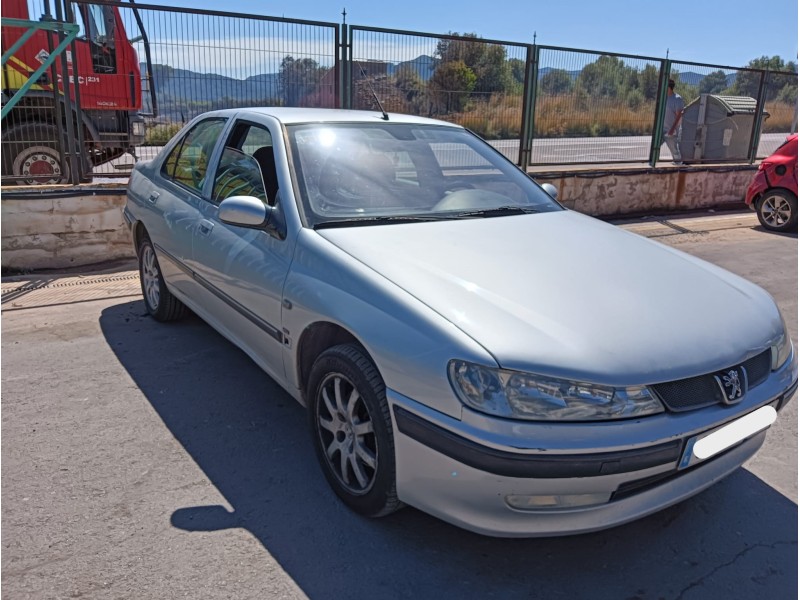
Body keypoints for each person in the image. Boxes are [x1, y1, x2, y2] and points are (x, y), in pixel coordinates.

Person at [663, 79, 685, 164]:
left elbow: (679, 115)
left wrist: (672, 129)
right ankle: (652, 162)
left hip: (671, 129)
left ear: (668, 87)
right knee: (654, 147)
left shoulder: (677, 99)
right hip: (662, 129)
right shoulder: (663, 98)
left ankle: (679, 164)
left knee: (674, 149)